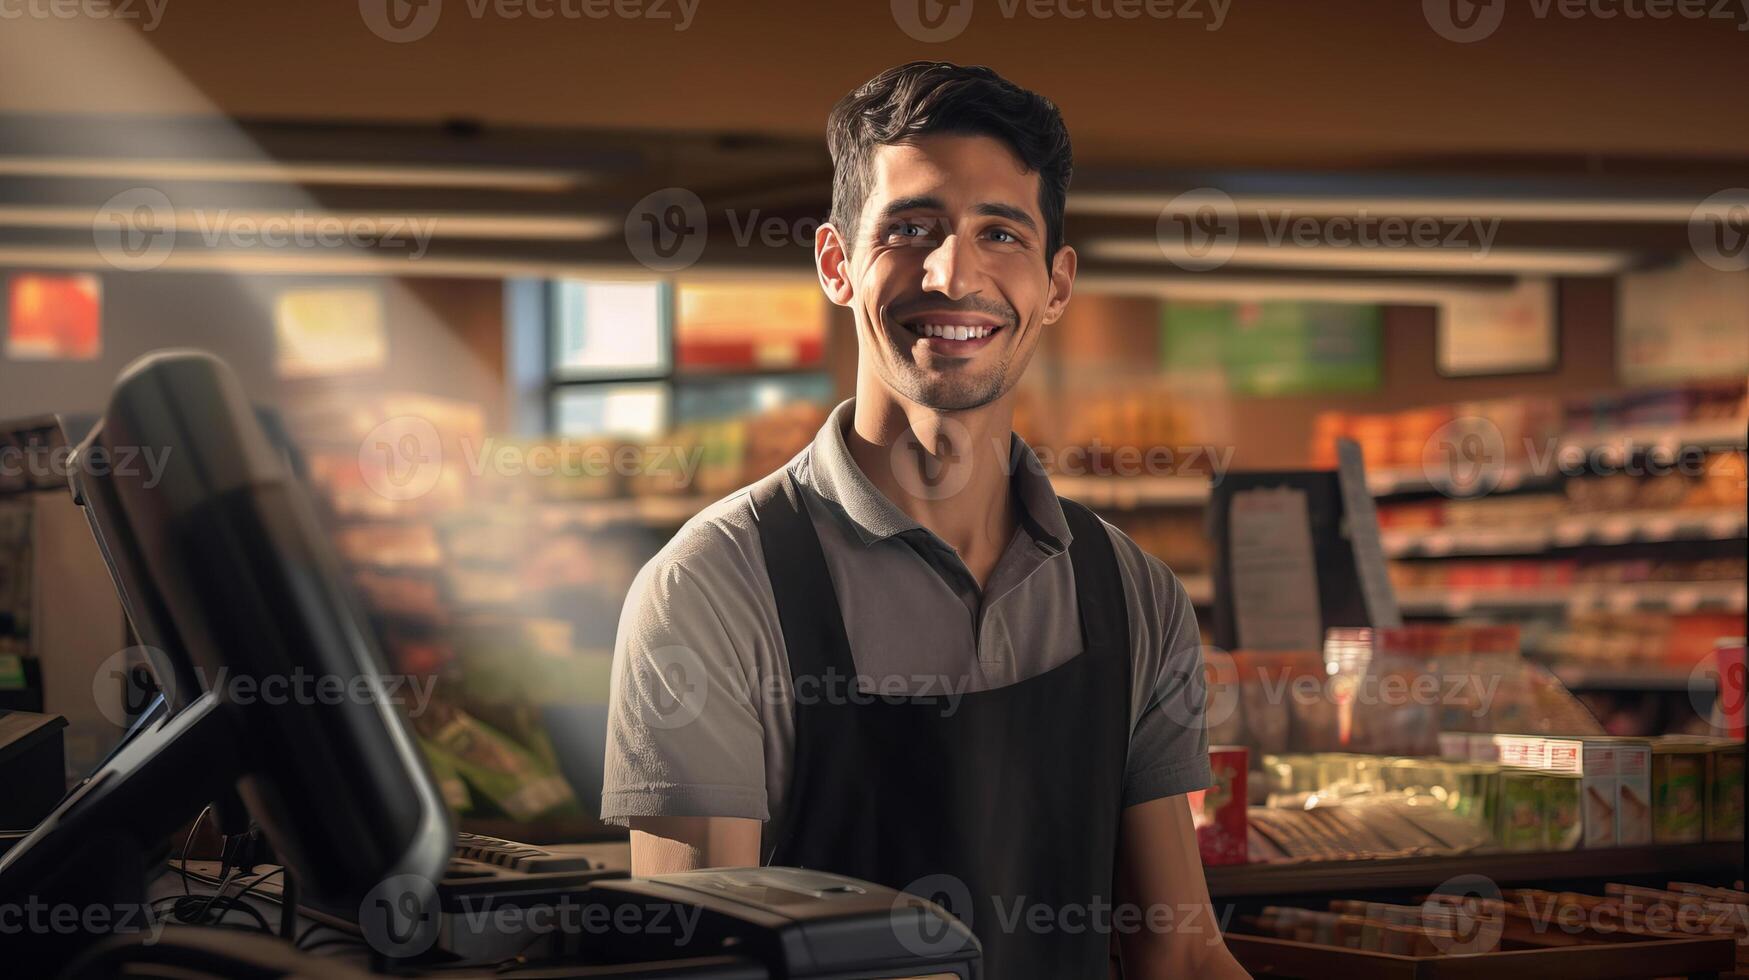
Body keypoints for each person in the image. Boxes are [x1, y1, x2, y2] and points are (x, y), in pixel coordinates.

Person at [603, 61, 1248, 978]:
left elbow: (1177, 952)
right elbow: (704, 967)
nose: (954, 274)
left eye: (1000, 233)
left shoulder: (1130, 592)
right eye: (910, 229)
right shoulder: (714, 589)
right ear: (837, 265)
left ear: (1056, 285)